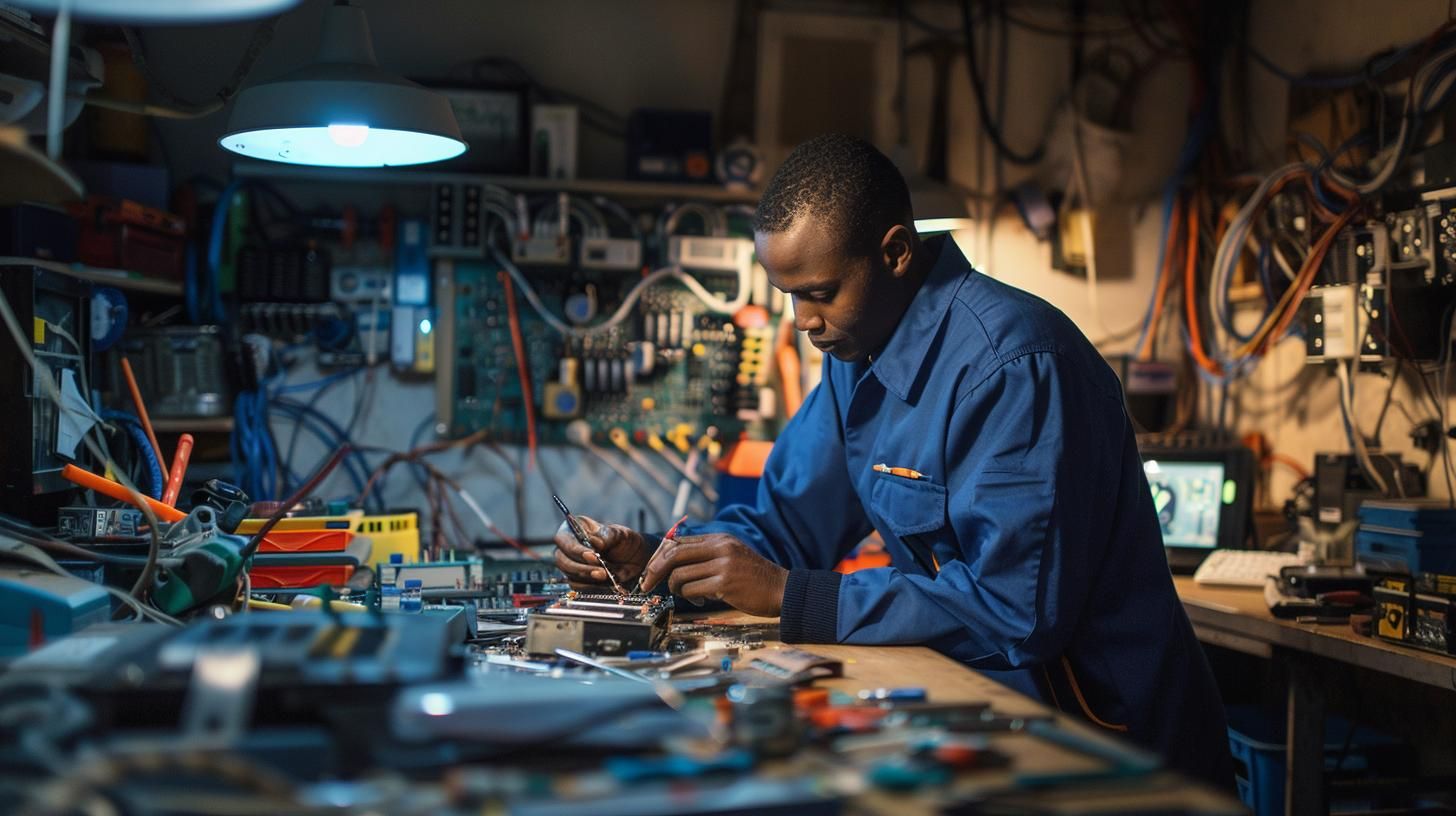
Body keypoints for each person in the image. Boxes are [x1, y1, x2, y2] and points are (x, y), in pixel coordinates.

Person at [552, 133, 1232, 789]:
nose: (803, 321)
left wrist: (795, 597)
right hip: (984, 717)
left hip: (1108, 739)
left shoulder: (1014, 367)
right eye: (791, 296)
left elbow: (1015, 613)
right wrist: (661, 561)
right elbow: (785, 525)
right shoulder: (857, 355)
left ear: (896, 252)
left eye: (819, 292)